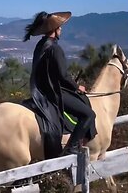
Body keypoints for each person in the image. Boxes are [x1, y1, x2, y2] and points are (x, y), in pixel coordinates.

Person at [24, 11, 97, 156]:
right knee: (89, 115)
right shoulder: (55, 49)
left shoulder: (41, 45)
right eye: (60, 27)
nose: (61, 29)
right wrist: (77, 87)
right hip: (54, 92)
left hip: (41, 91)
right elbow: (63, 76)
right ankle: (72, 147)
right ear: (55, 30)